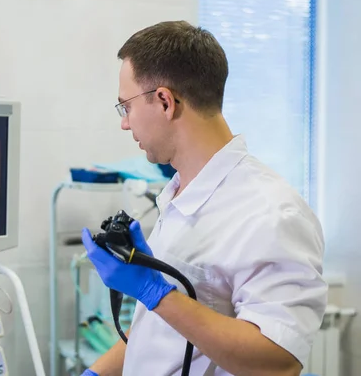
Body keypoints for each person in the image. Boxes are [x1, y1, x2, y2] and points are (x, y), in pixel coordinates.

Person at [80, 21, 328, 376]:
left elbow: (278, 361)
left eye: (126, 107)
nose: (124, 123)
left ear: (165, 101)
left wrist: (157, 292)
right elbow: (166, 327)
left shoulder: (271, 211)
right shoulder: (178, 194)